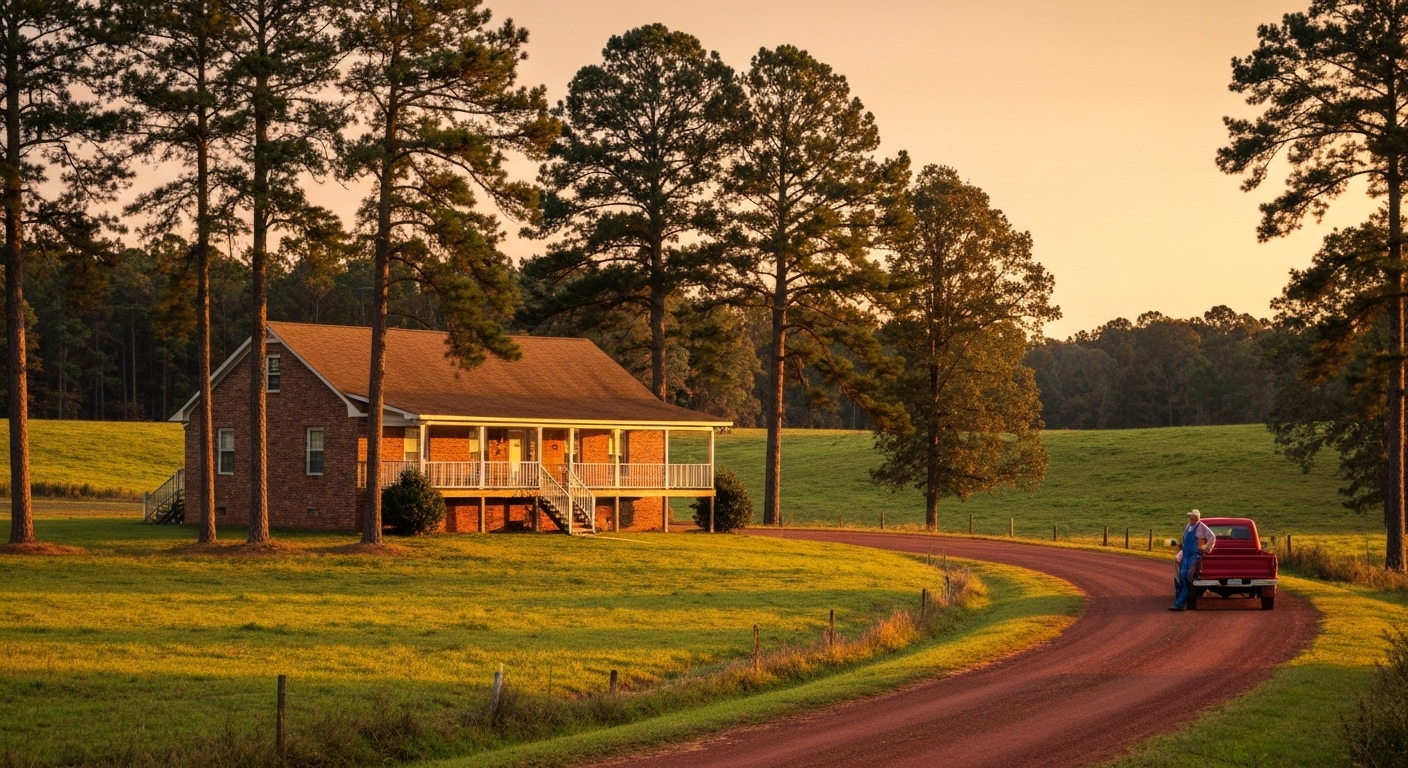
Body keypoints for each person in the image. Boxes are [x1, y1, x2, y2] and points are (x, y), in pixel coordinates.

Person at [1171, 509, 1216, 611]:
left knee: (1187, 577)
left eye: (1191, 517)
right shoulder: (1188, 526)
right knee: (1181, 576)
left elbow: (1212, 537)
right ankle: (1179, 602)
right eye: (1189, 517)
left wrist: (1207, 549)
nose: (1189, 519)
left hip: (1194, 556)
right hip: (1186, 555)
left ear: (1196, 518)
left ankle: (1179, 604)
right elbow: (1184, 539)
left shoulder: (1202, 527)